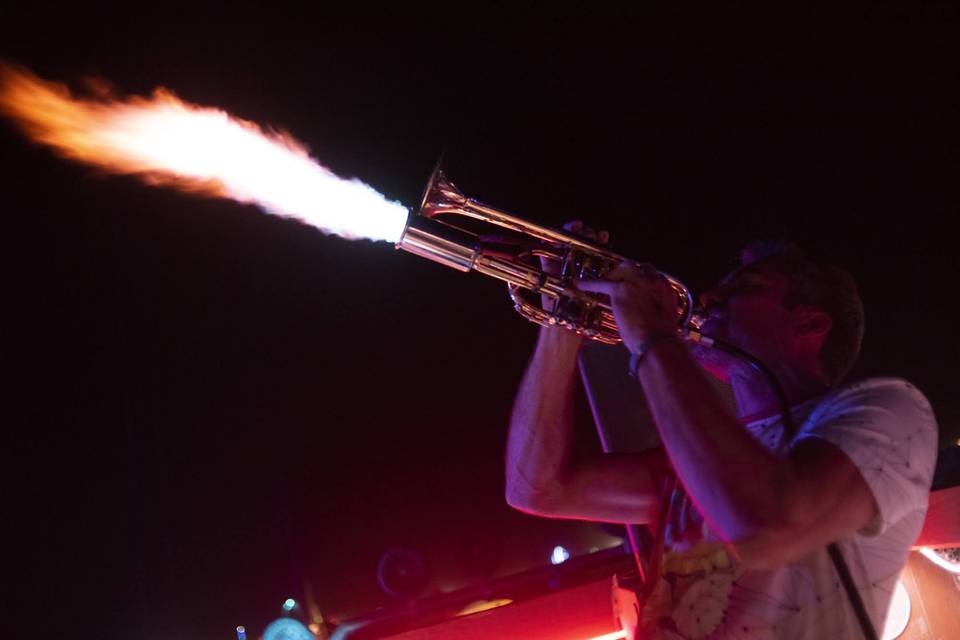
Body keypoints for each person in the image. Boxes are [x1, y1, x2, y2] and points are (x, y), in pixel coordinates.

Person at [505, 228, 938, 639]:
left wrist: (654, 338)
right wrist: (562, 321)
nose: (710, 298)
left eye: (745, 289)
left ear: (810, 325)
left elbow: (763, 527)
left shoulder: (890, 409)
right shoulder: (694, 461)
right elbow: (536, 488)